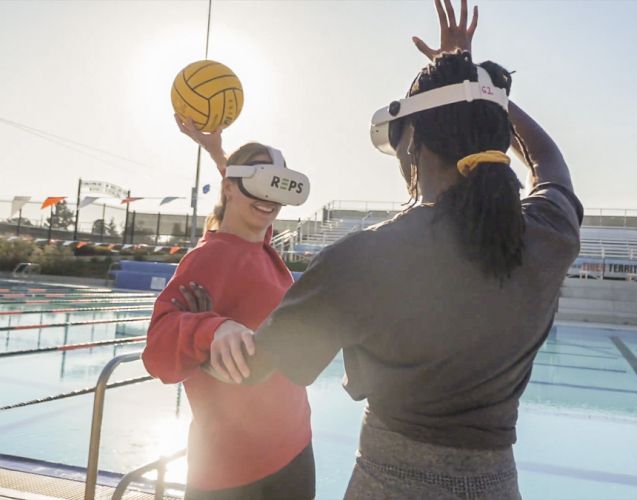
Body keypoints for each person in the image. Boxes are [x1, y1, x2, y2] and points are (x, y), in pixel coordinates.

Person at [182, 0, 582, 497]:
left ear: (412, 142)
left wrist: (206, 329)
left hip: (392, 483)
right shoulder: (549, 234)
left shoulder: (365, 259)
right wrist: (476, 82)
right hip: (497, 484)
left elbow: (254, 368)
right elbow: (550, 163)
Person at [141, 137, 315, 500]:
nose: (268, 200)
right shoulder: (209, 258)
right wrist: (213, 328)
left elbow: (249, 204)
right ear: (229, 188)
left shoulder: (262, 246)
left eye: (275, 188)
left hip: (296, 446)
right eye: (258, 184)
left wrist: (219, 153)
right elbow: (156, 349)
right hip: (231, 469)